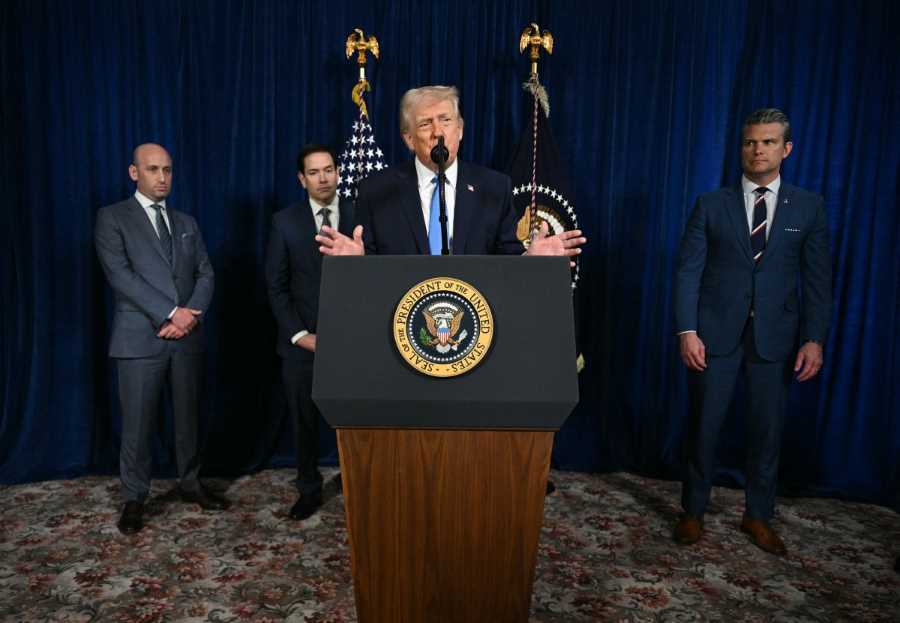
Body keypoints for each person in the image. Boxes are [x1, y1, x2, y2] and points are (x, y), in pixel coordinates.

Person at [672, 109, 831, 555]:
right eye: (749, 142)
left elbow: (817, 280)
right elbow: (688, 272)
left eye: (767, 142)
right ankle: (692, 511)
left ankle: (758, 515)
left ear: (786, 149)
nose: (757, 150)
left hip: (775, 339)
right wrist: (687, 330)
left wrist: (814, 339)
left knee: (767, 431)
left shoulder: (809, 207)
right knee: (704, 426)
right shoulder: (711, 204)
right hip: (714, 335)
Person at [95, 143, 229, 535]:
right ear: (134, 173)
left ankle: (190, 482)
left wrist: (190, 316)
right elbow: (120, 276)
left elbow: (206, 273)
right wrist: (172, 313)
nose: (162, 177)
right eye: (153, 169)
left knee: (189, 417)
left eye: (167, 170)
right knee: (138, 424)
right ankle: (134, 497)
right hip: (140, 337)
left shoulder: (186, 221)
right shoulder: (112, 218)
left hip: (186, 337)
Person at [316, 85, 585, 260]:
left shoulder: (494, 188)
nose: (438, 132)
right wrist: (357, 262)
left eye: (445, 120)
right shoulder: (377, 191)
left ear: (460, 129)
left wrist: (530, 260)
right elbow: (370, 265)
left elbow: (508, 263)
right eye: (425, 124)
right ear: (408, 139)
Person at [265, 144, 353, 520]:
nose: (323, 178)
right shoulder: (284, 222)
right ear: (302, 180)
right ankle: (308, 488)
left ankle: (358, 482)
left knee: (356, 419)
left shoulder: (361, 214)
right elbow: (276, 286)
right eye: (314, 173)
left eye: (329, 170)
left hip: (355, 343)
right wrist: (300, 335)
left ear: (338, 172)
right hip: (304, 344)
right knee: (303, 421)